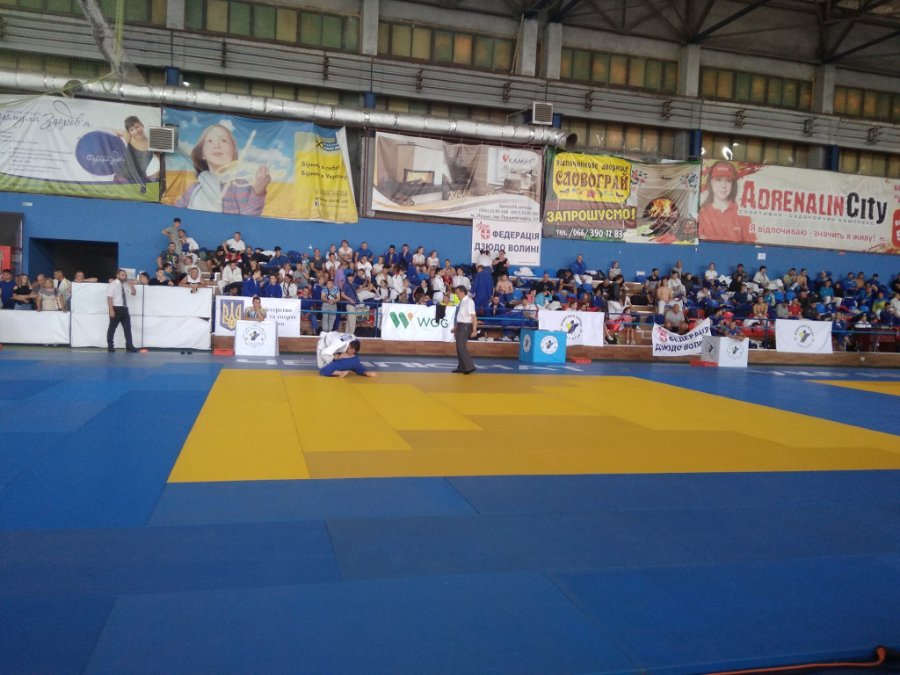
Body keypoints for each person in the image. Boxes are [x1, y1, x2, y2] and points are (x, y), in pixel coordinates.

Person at [175, 124, 269, 215]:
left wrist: (258, 192)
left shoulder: (239, 186)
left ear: (233, 152)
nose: (217, 145)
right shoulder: (194, 189)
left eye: (224, 140)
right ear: (202, 153)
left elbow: (248, 220)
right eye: (210, 141)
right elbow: (177, 215)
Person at [698, 161, 755, 243]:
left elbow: (751, 245)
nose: (723, 186)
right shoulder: (701, 214)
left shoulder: (742, 214)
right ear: (711, 182)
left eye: (728, 180)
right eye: (718, 179)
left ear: (733, 184)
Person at [107, 269, 137, 352]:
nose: (124, 277)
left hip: (124, 308)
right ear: (117, 275)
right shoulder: (113, 284)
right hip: (116, 308)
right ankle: (110, 346)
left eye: (125, 275)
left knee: (127, 328)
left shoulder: (125, 284)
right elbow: (109, 298)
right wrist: (111, 310)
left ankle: (129, 346)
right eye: (122, 275)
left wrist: (131, 285)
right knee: (112, 328)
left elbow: (134, 293)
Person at [451, 285, 477, 374]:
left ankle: (469, 367)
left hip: (465, 325)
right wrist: (456, 327)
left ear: (462, 292)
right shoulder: (462, 301)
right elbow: (461, 316)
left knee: (461, 346)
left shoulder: (469, 301)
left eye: (457, 293)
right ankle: (461, 367)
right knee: (458, 346)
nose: (457, 295)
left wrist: (474, 330)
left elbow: (473, 316)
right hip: (461, 325)